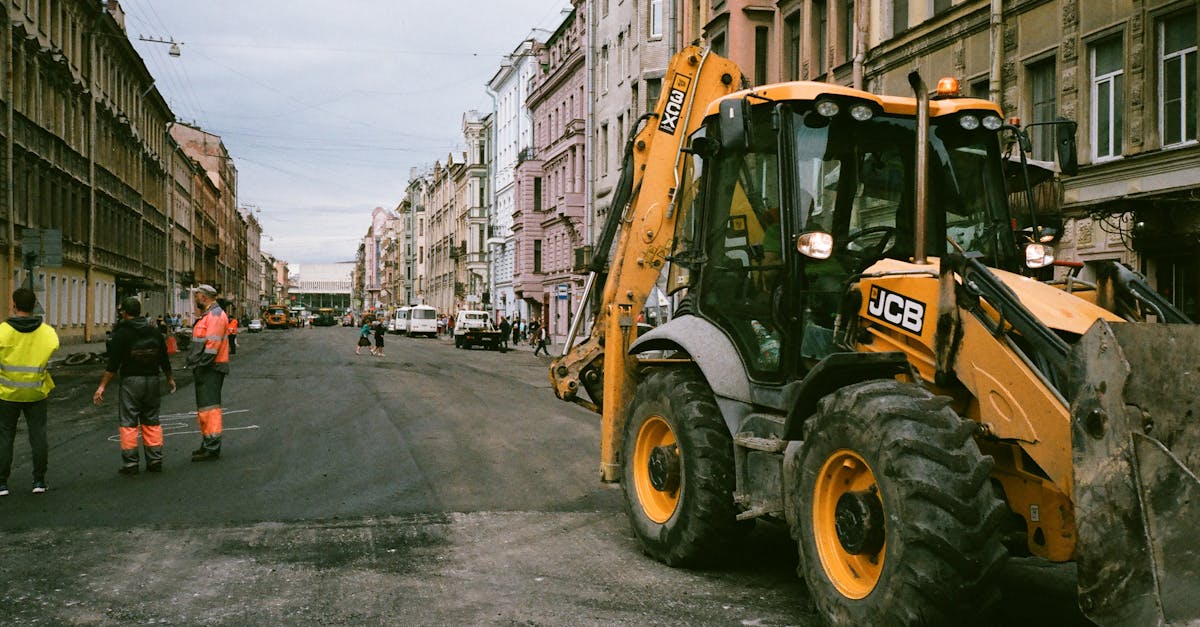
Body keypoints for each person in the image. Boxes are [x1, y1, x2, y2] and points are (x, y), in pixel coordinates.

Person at [93, 297, 176, 474]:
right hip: (153, 380)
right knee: (152, 420)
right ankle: (155, 460)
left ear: (124, 313)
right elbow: (164, 358)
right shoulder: (154, 331)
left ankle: (131, 463)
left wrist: (102, 386)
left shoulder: (122, 333)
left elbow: (113, 364)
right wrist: (169, 378)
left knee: (129, 422)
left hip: (131, 382)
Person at [0, 288, 59, 495]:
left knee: (5, 436)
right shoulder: (48, 333)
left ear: (14, 305)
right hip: (36, 392)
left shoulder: (2, 331)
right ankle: (39, 481)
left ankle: (2, 483)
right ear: (35, 306)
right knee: (38, 436)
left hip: (7, 393)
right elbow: (53, 348)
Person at [186, 284, 229, 462]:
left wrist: (201, 365)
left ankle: (212, 447)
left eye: (196, 296)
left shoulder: (215, 315)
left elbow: (212, 346)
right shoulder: (209, 315)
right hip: (207, 367)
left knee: (210, 409)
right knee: (205, 409)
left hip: (211, 368)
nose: (195, 300)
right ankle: (208, 444)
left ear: (204, 297)